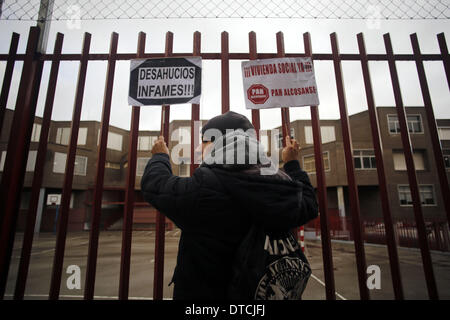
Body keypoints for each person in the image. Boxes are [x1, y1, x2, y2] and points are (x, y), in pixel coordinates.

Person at [141, 111, 318, 300]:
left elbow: (156, 186)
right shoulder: (280, 181)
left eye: (205, 141)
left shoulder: (206, 185)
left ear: (222, 142)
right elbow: (309, 203)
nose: (199, 148)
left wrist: (160, 156)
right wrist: (292, 164)